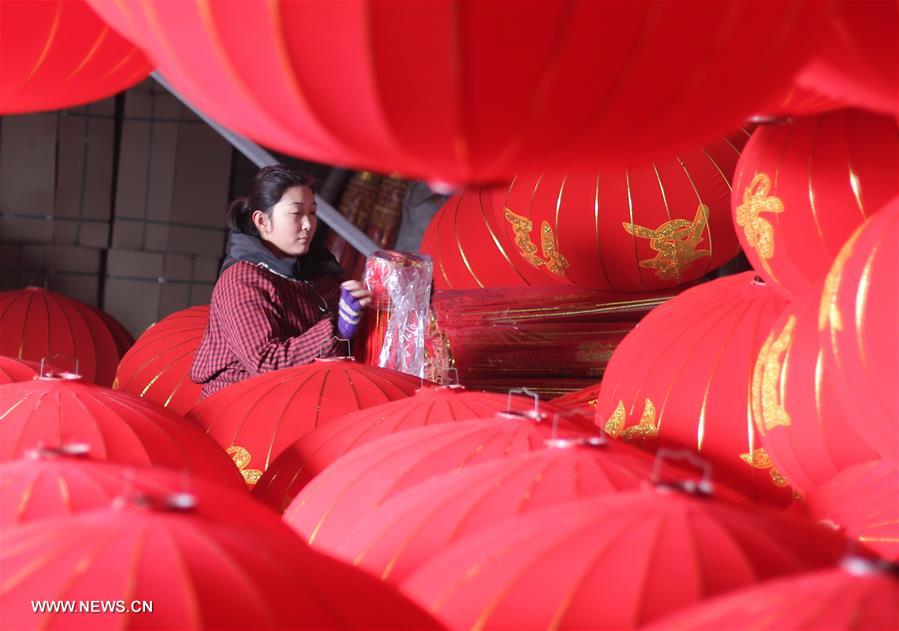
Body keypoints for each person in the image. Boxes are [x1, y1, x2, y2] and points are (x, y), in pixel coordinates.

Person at [191, 165, 371, 398]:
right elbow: (266, 363)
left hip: (305, 398)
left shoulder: (321, 272)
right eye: (296, 213)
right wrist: (336, 329)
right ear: (262, 221)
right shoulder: (243, 281)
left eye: (313, 212)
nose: (308, 224)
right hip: (244, 407)